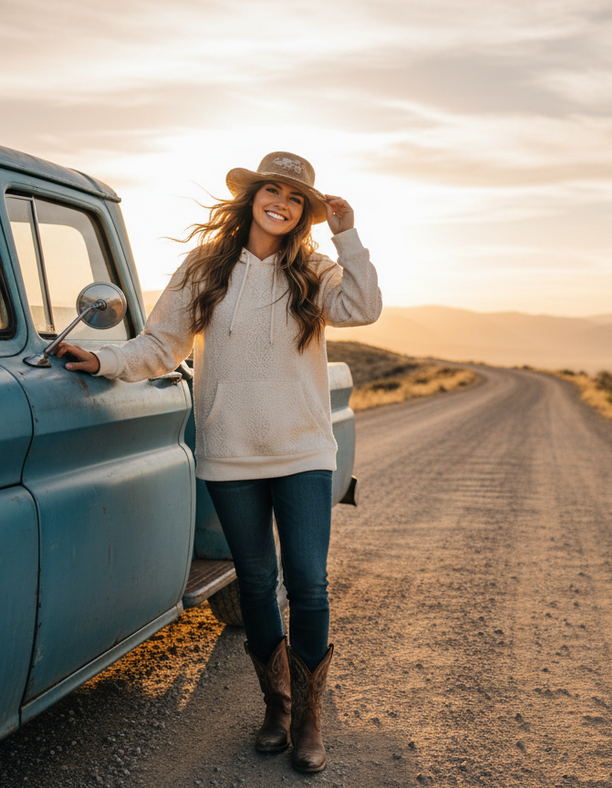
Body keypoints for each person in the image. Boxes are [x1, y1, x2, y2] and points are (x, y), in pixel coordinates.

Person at [57, 151, 381, 774]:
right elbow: (158, 345)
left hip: (305, 452)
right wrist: (104, 361)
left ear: (303, 212)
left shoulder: (314, 269)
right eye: (273, 191)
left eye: (295, 198)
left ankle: (311, 717)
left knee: (308, 584)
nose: (281, 204)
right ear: (253, 195)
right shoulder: (206, 268)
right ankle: (277, 706)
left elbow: (364, 307)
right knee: (256, 584)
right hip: (230, 455)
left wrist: (347, 233)